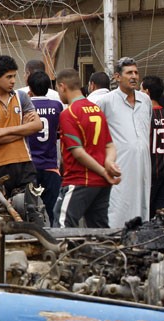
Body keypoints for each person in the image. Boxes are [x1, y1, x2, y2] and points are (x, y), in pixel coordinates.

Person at [0, 55, 45, 224]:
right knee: (4, 216)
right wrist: (23, 131)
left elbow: (37, 125)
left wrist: (5, 131)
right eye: (9, 77)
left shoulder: (21, 97)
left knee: (32, 210)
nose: (13, 81)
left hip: (25, 162)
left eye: (14, 76)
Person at [53, 68, 120, 228]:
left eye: (57, 89)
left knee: (62, 225)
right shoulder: (97, 110)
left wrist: (104, 171)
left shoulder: (69, 113)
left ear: (62, 87)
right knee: (99, 230)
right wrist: (109, 164)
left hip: (79, 180)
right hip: (102, 183)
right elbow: (110, 145)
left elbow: (78, 152)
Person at [98, 57, 152, 227]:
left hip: (143, 165)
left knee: (142, 204)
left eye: (136, 72)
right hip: (119, 165)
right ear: (117, 77)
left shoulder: (145, 101)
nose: (134, 76)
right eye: (129, 73)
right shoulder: (106, 101)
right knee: (119, 205)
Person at [27, 71, 63, 225]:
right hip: (50, 165)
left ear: (30, 89)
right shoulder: (56, 106)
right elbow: (60, 131)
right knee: (53, 210)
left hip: (29, 165)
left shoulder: (26, 107)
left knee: (29, 209)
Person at [141, 75, 164, 216]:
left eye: (141, 89)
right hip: (163, 171)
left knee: (147, 213)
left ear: (147, 93)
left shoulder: (145, 115)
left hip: (151, 171)